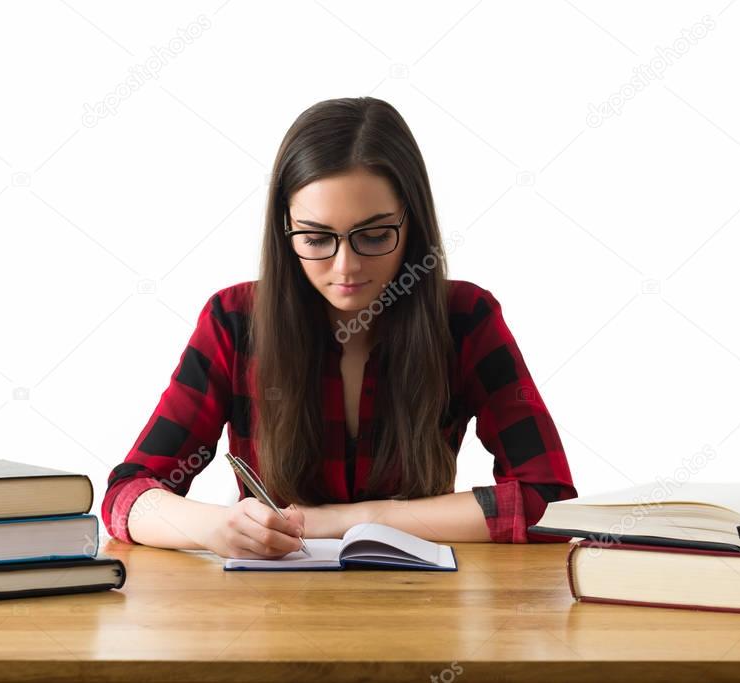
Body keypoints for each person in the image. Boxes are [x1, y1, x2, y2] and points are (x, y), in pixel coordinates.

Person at [101, 96, 577, 559]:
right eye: (315, 237)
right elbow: (128, 496)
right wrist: (215, 528)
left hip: (420, 612)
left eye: (373, 235)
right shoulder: (235, 320)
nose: (345, 266)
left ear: (412, 224)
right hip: (269, 616)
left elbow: (549, 502)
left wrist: (357, 518)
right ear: (285, 231)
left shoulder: (465, 319)